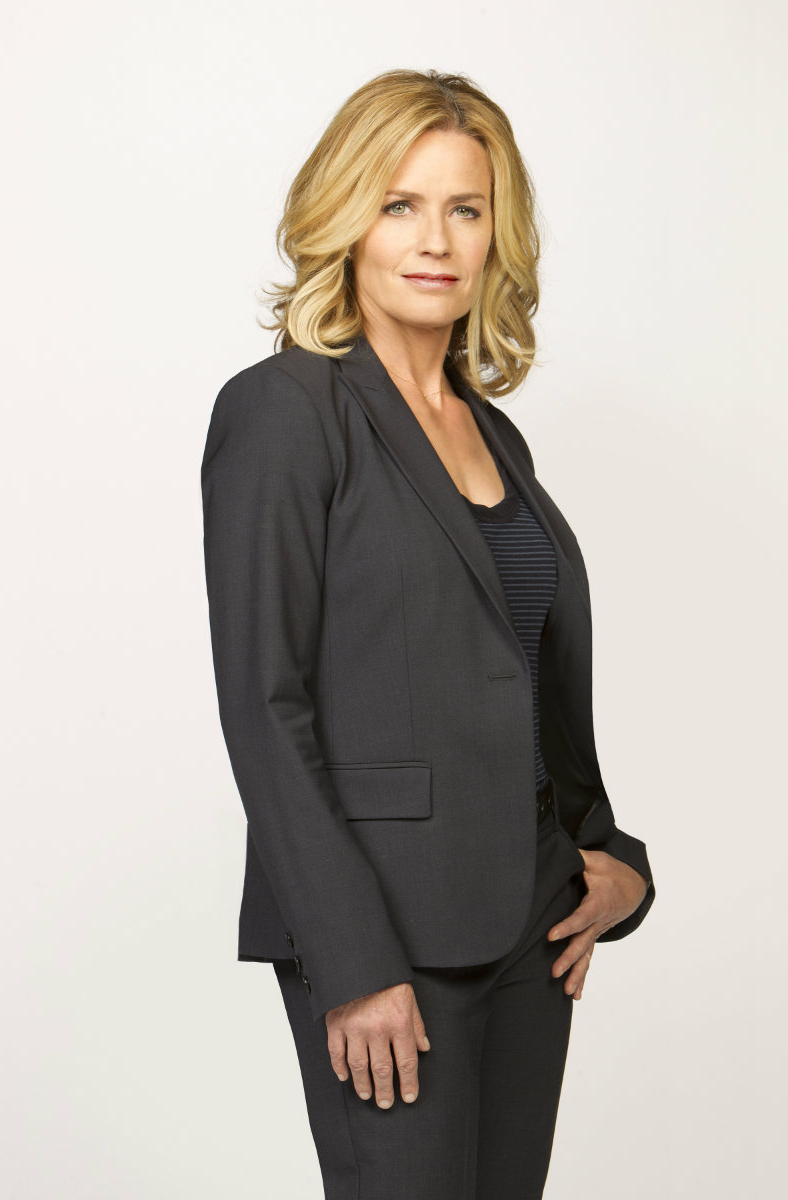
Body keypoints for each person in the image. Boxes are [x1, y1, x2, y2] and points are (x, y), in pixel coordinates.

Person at [201, 68, 655, 1200]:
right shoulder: (286, 410)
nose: (436, 240)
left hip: (531, 919)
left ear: (499, 233)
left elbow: (522, 669)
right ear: (344, 217)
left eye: (466, 208)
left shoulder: (494, 435)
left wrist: (610, 863)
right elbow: (264, 704)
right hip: (387, 933)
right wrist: (350, 961)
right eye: (399, 204)